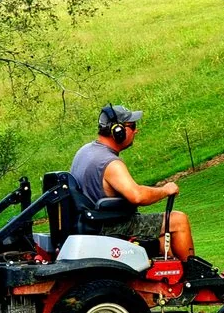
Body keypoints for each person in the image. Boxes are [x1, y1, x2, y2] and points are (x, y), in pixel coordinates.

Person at [70, 104, 196, 261]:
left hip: (91, 224)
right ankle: (195, 278)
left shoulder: (85, 151)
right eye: (132, 126)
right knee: (178, 220)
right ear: (118, 131)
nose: (136, 131)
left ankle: (175, 277)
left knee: (165, 244)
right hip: (110, 227)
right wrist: (166, 190)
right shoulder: (110, 163)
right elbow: (137, 196)